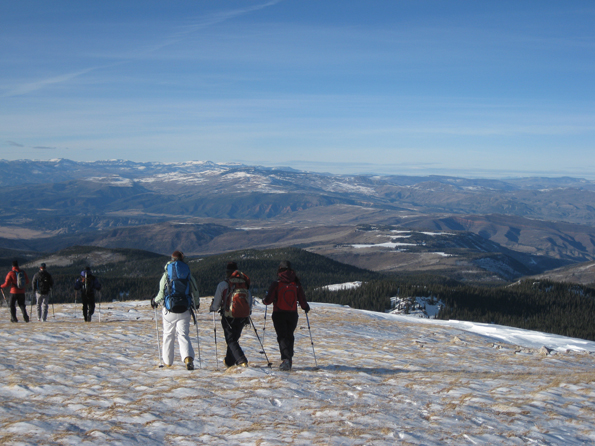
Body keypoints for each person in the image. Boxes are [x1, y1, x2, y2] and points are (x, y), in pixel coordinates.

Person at [151, 251, 199, 370]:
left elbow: (161, 292)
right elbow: (195, 289)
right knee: (183, 334)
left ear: (171, 259)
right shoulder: (187, 272)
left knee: (168, 335)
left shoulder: (167, 273)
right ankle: (188, 358)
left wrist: (155, 301)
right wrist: (196, 304)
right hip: (185, 308)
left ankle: (167, 362)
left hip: (169, 309)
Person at [264, 260, 310, 371]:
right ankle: (289, 359)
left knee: (282, 337)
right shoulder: (296, 284)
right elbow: (302, 300)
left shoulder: (277, 283)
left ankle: (286, 360)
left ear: (280, 270)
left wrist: (264, 301)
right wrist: (305, 307)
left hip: (279, 313)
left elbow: (268, 301)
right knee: (290, 335)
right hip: (293, 314)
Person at [209, 261, 252, 368]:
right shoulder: (244, 284)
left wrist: (213, 308)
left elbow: (217, 303)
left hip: (228, 315)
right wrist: (247, 313)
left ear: (227, 272)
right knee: (234, 339)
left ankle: (242, 360)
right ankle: (229, 362)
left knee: (231, 339)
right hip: (242, 316)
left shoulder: (223, 285)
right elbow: (249, 300)